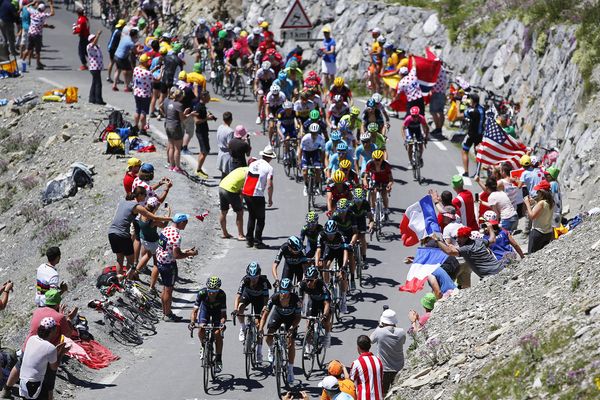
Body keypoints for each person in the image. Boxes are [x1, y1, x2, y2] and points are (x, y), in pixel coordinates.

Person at [2, 289, 76, 399]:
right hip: (45, 352)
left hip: (28, 346)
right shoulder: (59, 318)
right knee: (49, 379)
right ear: (57, 303)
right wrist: (68, 319)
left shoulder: (37, 311)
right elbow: (68, 334)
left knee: (19, 366)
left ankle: (6, 389)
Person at [108, 186, 172, 270]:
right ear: (140, 195)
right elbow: (154, 217)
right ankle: (129, 279)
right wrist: (171, 218)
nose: (145, 197)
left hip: (111, 232)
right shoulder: (136, 206)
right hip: (122, 234)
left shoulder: (123, 201)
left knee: (119, 259)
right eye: (145, 195)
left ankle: (120, 280)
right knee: (131, 261)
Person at [258, 278, 301, 384]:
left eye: (286, 292)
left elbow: (298, 317)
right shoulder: (274, 298)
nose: (284, 294)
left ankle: (290, 370)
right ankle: (272, 349)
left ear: (290, 291)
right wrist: (260, 328)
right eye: (282, 291)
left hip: (291, 319)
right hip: (278, 315)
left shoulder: (296, 300)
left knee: (291, 344)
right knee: (269, 337)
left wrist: (292, 327)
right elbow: (265, 315)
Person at [156, 213, 198, 321]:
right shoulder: (176, 236)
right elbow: (176, 255)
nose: (186, 224)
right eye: (186, 222)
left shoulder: (166, 229)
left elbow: (168, 248)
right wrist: (190, 254)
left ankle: (164, 311)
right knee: (169, 290)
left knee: (165, 288)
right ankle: (168, 314)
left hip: (160, 261)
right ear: (181, 222)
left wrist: (184, 251)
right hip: (168, 265)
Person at [18, 317, 68, 400]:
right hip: (35, 384)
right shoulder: (50, 348)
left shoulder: (31, 339)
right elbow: (54, 367)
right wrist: (61, 353)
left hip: (23, 380)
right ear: (52, 331)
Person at [128, 197, 171, 289]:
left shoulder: (141, 214)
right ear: (154, 208)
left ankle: (135, 273)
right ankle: (151, 287)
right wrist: (168, 212)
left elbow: (151, 211)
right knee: (156, 264)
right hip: (154, 242)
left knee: (147, 255)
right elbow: (164, 225)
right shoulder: (153, 221)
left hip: (144, 240)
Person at [434, 226, 504, 278]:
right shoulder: (479, 241)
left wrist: (437, 240)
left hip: (490, 275)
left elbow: (449, 252)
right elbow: (492, 240)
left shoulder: (466, 249)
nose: (457, 240)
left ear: (466, 237)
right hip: (500, 268)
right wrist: (490, 229)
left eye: (459, 238)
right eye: (456, 238)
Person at [189, 276, 227, 372]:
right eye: (210, 290)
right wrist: (192, 322)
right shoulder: (202, 293)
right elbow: (194, 311)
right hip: (205, 310)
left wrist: (222, 324)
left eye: (214, 291)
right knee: (201, 328)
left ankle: (218, 359)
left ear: (218, 290)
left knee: (217, 333)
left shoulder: (222, 295)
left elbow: (223, 314)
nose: (211, 293)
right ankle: (203, 345)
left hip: (216, 312)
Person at [233, 262, 271, 358]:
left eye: (256, 278)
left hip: (260, 299)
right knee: (240, 307)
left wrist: (264, 307)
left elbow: (266, 298)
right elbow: (238, 296)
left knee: (259, 325)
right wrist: (235, 309)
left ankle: (259, 350)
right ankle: (242, 327)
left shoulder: (264, 282)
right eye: (251, 277)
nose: (253, 280)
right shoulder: (245, 280)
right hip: (248, 296)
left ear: (259, 275)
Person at [241, 145, 276, 249]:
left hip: (246, 192)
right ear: (270, 157)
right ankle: (257, 241)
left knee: (252, 216)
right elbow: (270, 185)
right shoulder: (269, 168)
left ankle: (249, 240)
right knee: (260, 219)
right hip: (257, 194)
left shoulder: (253, 163)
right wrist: (270, 199)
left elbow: (246, 176)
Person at [315, 220, 350, 312]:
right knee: (325, 266)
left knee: (343, 275)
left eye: (332, 234)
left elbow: (345, 252)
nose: (330, 236)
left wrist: (344, 266)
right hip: (329, 250)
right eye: (328, 234)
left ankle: (343, 298)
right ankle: (327, 286)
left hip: (340, 252)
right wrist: (316, 264)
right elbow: (318, 251)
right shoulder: (321, 235)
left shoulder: (341, 235)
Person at [370, 309, 406, 396]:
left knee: (382, 393)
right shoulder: (401, 332)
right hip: (399, 368)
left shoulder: (379, 331)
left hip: (384, 369)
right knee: (396, 393)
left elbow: (370, 340)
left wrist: (379, 326)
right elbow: (402, 341)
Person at [299, 266, 332, 348]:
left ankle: (327, 336)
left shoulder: (321, 285)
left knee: (326, 320)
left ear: (316, 279)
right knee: (309, 322)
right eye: (307, 280)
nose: (308, 283)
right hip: (313, 301)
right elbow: (300, 301)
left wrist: (324, 314)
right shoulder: (303, 284)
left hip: (323, 302)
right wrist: (299, 311)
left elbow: (327, 303)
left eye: (311, 280)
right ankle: (308, 344)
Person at [524, 180, 554, 253]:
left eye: (538, 191)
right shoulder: (551, 202)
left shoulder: (541, 203)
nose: (536, 193)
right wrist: (534, 202)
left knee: (532, 255)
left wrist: (527, 204)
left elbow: (532, 216)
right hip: (548, 232)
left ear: (541, 192)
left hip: (538, 232)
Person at [191, 90, 217, 179]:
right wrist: (207, 118)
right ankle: (198, 170)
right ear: (204, 97)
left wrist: (207, 116)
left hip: (204, 131)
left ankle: (199, 168)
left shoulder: (202, 106)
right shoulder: (198, 107)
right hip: (201, 132)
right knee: (205, 151)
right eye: (208, 97)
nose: (210, 98)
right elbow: (196, 121)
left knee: (204, 151)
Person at [218, 166, 248, 240]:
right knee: (240, 212)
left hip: (222, 186)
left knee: (223, 212)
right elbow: (244, 190)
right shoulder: (250, 173)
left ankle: (225, 233)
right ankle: (240, 235)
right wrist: (241, 204)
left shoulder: (241, 169)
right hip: (230, 190)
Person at [350, 335, 384, 400]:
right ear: (369, 346)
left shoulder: (357, 363)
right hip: (379, 397)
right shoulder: (378, 361)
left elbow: (351, 381)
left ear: (358, 347)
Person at [23, 1, 55, 70]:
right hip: (37, 35)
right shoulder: (42, 15)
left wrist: (32, 3)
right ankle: (38, 64)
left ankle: (22, 61)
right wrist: (51, 5)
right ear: (43, 9)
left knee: (28, 49)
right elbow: (52, 13)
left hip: (30, 33)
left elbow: (25, 7)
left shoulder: (33, 12)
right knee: (38, 51)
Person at [459, 93, 485, 177]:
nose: (469, 101)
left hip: (471, 134)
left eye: (470, 100)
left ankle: (466, 172)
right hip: (480, 134)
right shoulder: (482, 109)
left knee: (464, 151)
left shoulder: (472, 111)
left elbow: (459, 115)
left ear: (473, 101)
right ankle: (477, 173)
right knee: (478, 153)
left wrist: (460, 103)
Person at [363, 150, 393, 216]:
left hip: (385, 180)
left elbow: (391, 179)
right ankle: (372, 208)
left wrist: (389, 185)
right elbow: (365, 177)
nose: (377, 161)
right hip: (376, 180)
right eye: (376, 159)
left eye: (379, 159)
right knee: (373, 192)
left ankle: (386, 208)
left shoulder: (386, 165)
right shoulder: (370, 164)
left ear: (382, 159)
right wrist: (365, 184)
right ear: (373, 159)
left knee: (384, 194)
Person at [299, 123, 326, 197]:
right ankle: (306, 186)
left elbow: (323, 152)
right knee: (304, 171)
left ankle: (317, 186)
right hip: (306, 153)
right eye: (312, 133)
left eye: (315, 133)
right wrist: (299, 161)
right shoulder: (305, 138)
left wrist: (322, 162)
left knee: (318, 170)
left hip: (315, 153)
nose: (314, 135)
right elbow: (300, 150)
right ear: (310, 132)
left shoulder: (321, 139)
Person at [133, 54, 154, 136]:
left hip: (136, 92)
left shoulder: (136, 69)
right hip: (145, 94)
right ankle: (142, 129)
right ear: (145, 62)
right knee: (143, 112)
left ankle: (135, 126)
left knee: (137, 109)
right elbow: (154, 80)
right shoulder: (148, 73)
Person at [86, 32, 105, 105]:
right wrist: (98, 35)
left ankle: (92, 98)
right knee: (98, 84)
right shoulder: (90, 46)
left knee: (94, 83)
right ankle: (98, 99)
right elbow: (93, 43)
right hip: (94, 67)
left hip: (98, 67)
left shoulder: (97, 46)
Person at [429, 65, 448, 135]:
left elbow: (433, 79)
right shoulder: (443, 70)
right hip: (442, 93)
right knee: (440, 112)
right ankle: (439, 129)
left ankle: (437, 128)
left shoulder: (437, 70)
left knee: (433, 111)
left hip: (436, 92)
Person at [106, 19, 126, 83]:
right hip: (114, 48)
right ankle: (117, 78)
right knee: (118, 64)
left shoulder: (114, 29)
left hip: (110, 47)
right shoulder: (119, 33)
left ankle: (108, 77)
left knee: (112, 62)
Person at [216, 113, 234, 177]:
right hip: (227, 154)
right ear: (231, 120)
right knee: (227, 175)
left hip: (220, 152)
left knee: (223, 174)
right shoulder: (230, 131)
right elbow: (230, 145)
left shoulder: (220, 127)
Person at [73, 6, 90, 70]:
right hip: (87, 35)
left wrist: (75, 31)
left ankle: (84, 65)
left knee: (81, 51)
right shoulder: (86, 18)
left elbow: (79, 29)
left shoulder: (81, 20)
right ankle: (93, 61)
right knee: (87, 51)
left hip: (83, 37)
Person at [320, 26, 336, 90]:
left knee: (332, 76)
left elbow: (332, 51)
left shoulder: (332, 41)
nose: (325, 34)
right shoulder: (324, 41)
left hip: (331, 60)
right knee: (325, 75)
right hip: (325, 60)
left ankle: (332, 88)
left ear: (329, 33)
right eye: (324, 33)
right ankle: (327, 89)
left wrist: (326, 52)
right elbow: (323, 49)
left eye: (326, 32)